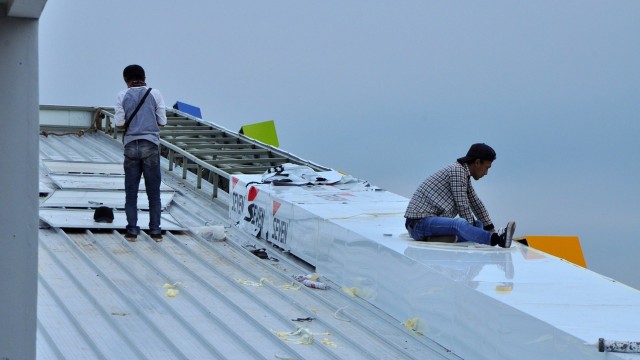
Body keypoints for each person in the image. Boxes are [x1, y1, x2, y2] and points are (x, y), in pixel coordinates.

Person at [404, 143, 515, 248]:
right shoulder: (457, 171)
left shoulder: (464, 174)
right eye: (487, 167)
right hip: (417, 224)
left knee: (478, 224)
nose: (486, 173)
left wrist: (490, 228)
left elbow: (475, 202)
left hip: (428, 224)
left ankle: (440, 238)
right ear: (477, 162)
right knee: (460, 224)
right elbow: (462, 205)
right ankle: (497, 240)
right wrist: (490, 234)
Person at [115, 64, 167, 242]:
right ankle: (155, 231)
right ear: (145, 77)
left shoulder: (122, 95)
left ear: (125, 80)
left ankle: (132, 231)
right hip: (150, 145)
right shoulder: (155, 94)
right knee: (154, 192)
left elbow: (119, 123)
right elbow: (162, 121)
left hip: (130, 146)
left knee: (131, 191)